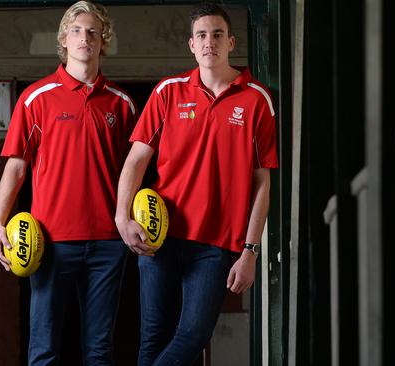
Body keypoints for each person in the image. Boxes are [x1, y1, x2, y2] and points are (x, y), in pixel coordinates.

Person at [115, 3, 278, 365]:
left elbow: (262, 183)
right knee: (153, 335)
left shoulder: (256, 100)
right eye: (202, 35)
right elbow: (136, 160)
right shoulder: (168, 93)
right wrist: (121, 218)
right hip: (159, 235)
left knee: (193, 335)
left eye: (217, 34)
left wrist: (250, 251)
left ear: (231, 41)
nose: (209, 42)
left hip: (216, 244)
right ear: (191, 44)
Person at [0, 2, 136, 365]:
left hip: (107, 244)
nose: (84, 38)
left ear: (104, 42)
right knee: (44, 350)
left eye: (92, 32)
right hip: (50, 243)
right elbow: (16, 168)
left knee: (99, 352)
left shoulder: (123, 104)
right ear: (64, 40)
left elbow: (133, 173)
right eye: (76, 31)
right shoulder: (35, 99)